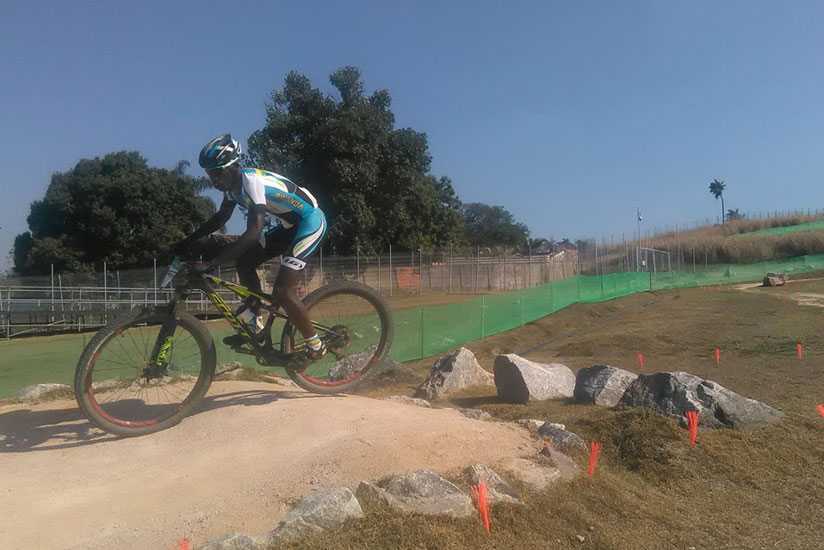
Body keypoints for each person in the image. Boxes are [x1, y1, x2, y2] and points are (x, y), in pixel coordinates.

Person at [175, 134, 327, 367]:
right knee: (244, 263)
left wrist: (213, 263)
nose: (214, 179)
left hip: (310, 222)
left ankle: (316, 346)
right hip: (290, 226)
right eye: (209, 174)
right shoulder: (231, 188)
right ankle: (256, 322)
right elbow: (220, 218)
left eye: (217, 172)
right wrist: (189, 239)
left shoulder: (251, 182)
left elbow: (253, 233)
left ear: (233, 166)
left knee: (283, 292)